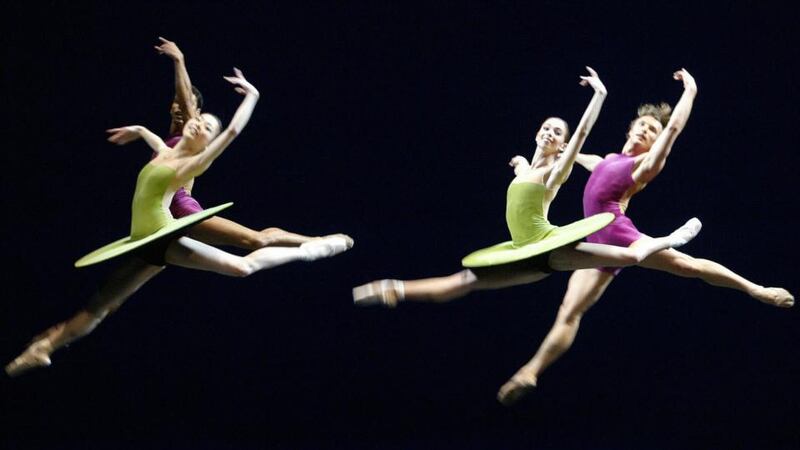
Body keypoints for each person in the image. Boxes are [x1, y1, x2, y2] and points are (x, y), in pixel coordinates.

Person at [5, 69, 353, 377]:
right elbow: (159, 136)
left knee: (244, 267)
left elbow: (230, 131)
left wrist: (252, 95)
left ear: (206, 142)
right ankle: (41, 350)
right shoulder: (165, 151)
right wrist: (139, 129)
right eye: (199, 120)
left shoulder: (190, 164)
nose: (199, 123)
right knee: (102, 307)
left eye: (207, 128)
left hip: (164, 237)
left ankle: (312, 249)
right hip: (144, 241)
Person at [497, 69, 794, 406]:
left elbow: (674, 129)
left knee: (688, 266)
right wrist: (548, 156)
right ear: (630, 128)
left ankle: (756, 289)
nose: (647, 129)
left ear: (655, 141)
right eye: (643, 124)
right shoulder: (609, 159)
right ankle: (530, 372)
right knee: (569, 311)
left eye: (654, 129)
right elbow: (582, 157)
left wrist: (691, 91)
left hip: (618, 234)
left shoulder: (643, 165)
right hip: (594, 242)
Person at [352, 67, 700, 308]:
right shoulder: (524, 170)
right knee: (464, 282)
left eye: (557, 133)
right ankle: (394, 288)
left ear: (562, 145)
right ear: (537, 133)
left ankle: (670, 239)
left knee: (631, 255)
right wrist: (519, 162)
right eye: (546, 128)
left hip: (550, 247)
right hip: (523, 253)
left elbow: (579, 137)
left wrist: (599, 95)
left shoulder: (554, 173)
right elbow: (522, 174)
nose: (551, 133)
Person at [153, 37, 324, 249]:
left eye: (186, 105)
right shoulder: (166, 142)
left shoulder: (191, 138)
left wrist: (179, 60)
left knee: (255, 241)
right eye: (176, 103)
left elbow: (186, 98)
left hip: (182, 212)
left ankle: (320, 242)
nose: (181, 107)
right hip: (162, 219)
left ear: (196, 114)